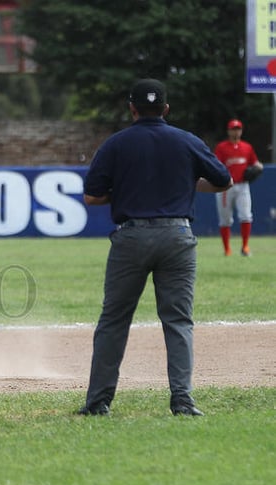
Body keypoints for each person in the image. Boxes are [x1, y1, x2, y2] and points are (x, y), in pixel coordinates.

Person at [78, 78, 232, 417]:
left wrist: (125, 192)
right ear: (165, 109)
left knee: (114, 320)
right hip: (178, 236)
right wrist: (188, 184)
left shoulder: (116, 144)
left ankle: (98, 402)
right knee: (178, 320)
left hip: (131, 237)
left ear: (132, 109)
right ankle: (182, 400)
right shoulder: (186, 141)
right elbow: (224, 180)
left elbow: (92, 196)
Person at [214, 119, 262, 257]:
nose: (236, 131)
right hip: (225, 187)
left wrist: (258, 168)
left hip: (242, 186)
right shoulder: (222, 147)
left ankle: (245, 247)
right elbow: (216, 165)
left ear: (241, 130)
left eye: (238, 129)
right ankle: (227, 249)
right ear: (228, 131)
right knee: (225, 219)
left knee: (246, 216)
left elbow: (256, 164)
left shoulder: (247, 147)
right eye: (233, 129)